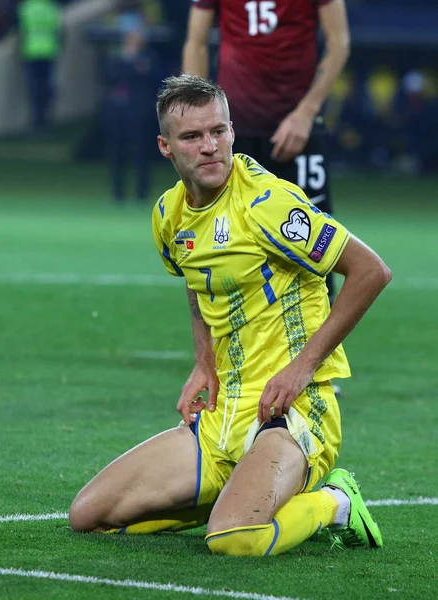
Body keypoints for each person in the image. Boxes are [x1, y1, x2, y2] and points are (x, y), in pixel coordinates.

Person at [69, 75, 391, 557]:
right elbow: (196, 282)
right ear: (165, 146)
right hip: (223, 416)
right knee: (87, 516)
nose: (209, 147)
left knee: (233, 539)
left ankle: (335, 502)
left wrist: (302, 368)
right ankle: (237, 492)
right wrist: (204, 361)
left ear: (233, 132)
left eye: (218, 131)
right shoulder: (169, 215)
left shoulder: (268, 204)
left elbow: (370, 272)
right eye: (192, 137)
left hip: (291, 412)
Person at [182, 0, 350, 308]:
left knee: (315, 245)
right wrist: (200, 119)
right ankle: (234, 346)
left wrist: (307, 113)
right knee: (227, 243)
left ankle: (319, 352)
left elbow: (339, 42)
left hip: (299, 127)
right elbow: (196, 41)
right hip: (234, 130)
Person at [102, 16, 161, 203]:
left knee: (141, 153)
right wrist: (133, 69)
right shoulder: (117, 57)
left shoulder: (149, 57)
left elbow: (154, 79)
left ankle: (142, 193)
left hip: (140, 112)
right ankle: (117, 192)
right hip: (118, 113)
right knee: (117, 153)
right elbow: (110, 76)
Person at [17, 0, 61, 135]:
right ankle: (46, 121)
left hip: (31, 52)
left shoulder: (26, 8)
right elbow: (59, 31)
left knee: (34, 89)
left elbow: (21, 32)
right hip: (49, 51)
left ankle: (37, 123)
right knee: (47, 87)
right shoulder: (51, 7)